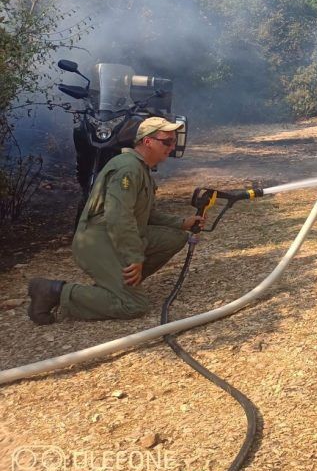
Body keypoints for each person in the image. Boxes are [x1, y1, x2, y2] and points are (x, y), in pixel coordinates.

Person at [27, 116, 204, 324]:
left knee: (175, 237)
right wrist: (134, 258)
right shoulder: (128, 168)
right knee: (134, 306)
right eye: (167, 142)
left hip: (113, 236)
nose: (172, 147)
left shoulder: (141, 168)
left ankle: (120, 286)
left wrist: (182, 222)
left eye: (173, 142)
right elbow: (118, 217)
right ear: (147, 142)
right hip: (98, 240)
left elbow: (147, 214)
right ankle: (54, 292)